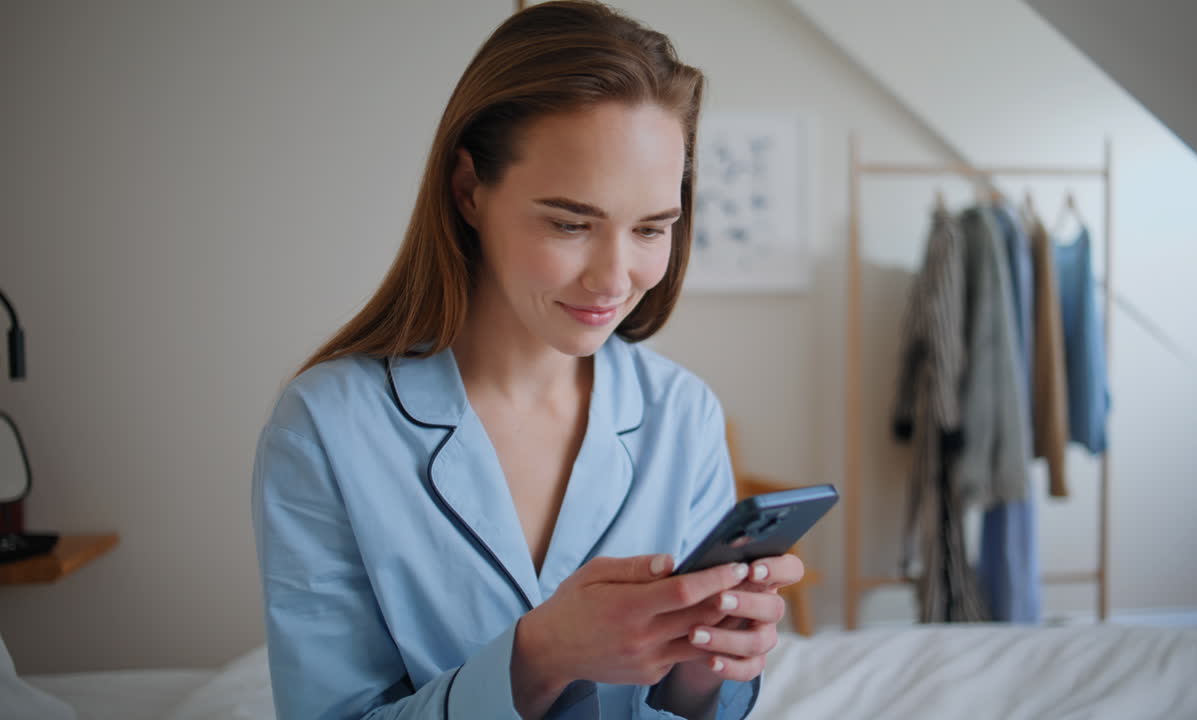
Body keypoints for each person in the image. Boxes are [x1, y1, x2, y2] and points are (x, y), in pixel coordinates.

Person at [250, 2, 803, 718]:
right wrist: (540, 657)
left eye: (650, 229)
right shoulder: (325, 427)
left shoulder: (684, 415)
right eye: (571, 223)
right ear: (468, 191)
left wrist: (705, 669)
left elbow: (694, 704)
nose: (613, 279)